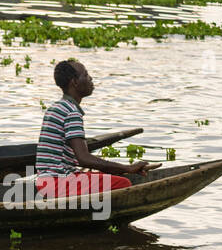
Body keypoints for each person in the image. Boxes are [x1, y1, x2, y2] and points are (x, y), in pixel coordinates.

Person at [35, 59, 154, 201]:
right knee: (124, 183)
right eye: (85, 75)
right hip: (56, 183)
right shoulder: (71, 112)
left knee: (111, 177)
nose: (90, 78)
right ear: (75, 82)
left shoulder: (56, 107)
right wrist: (127, 168)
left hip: (45, 181)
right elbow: (84, 158)